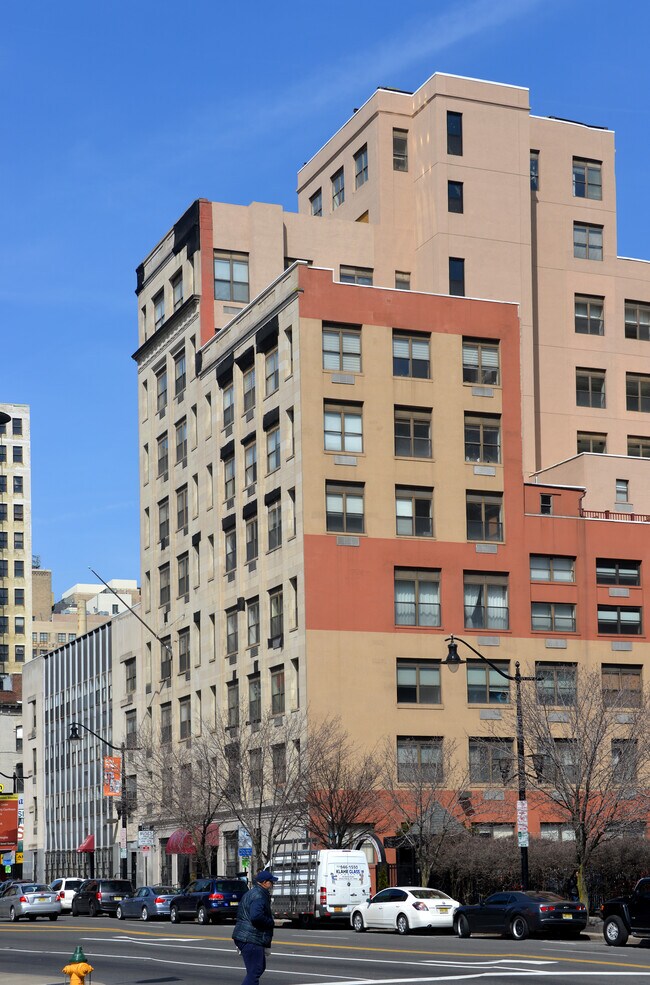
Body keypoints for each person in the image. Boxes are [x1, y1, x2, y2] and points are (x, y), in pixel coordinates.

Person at [232, 869, 278, 985]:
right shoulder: (259, 896)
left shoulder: (253, 893)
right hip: (251, 938)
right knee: (255, 971)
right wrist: (270, 922)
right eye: (271, 882)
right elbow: (256, 916)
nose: (272, 884)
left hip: (246, 936)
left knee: (258, 968)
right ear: (264, 882)